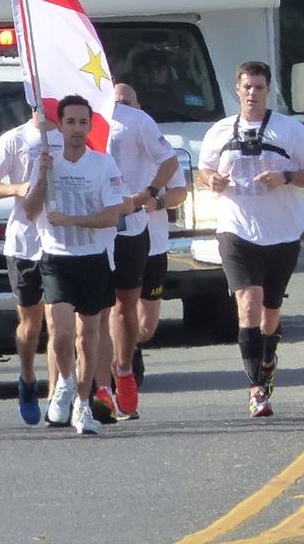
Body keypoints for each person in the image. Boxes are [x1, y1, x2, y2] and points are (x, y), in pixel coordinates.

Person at [197, 60, 304, 418]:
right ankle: (256, 390)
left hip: (282, 232)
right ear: (237, 90)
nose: (252, 93)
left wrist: (285, 177)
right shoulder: (220, 131)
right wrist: (211, 181)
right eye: (246, 87)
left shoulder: (290, 130)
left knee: (270, 312)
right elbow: (202, 171)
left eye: (258, 87)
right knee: (248, 304)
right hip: (236, 228)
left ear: (269, 90)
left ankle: (267, 358)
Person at [23, 95, 130, 435]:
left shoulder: (102, 165)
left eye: (83, 123)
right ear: (61, 125)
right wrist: (41, 176)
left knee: (88, 337)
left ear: (90, 126)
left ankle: (83, 403)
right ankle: (65, 382)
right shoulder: (47, 160)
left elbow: (113, 215)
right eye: (70, 122)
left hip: (94, 260)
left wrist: (71, 219)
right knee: (62, 332)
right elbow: (29, 211)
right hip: (56, 258)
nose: (77, 129)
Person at [98, 83, 178, 421]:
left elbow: (171, 163)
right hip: (85, 231)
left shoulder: (136, 121)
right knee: (89, 314)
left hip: (131, 229)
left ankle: (125, 369)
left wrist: (147, 195)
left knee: (126, 311)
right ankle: (99, 389)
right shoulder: (70, 117)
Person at [0, 113, 64, 425]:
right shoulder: (14, 138)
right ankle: (28, 378)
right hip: (24, 243)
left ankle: (57, 395)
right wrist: (17, 188)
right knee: (30, 326)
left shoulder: (70, 133)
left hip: (60, 241)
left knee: (58, 322)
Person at [115, 85, 188, 352]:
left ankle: (130, 348)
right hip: (121, 240)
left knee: (147, 325)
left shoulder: (160, 146)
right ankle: (123, 362)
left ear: (138, 106)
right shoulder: (107, 144)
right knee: (119, 308)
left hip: (154, 245)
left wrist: (157, 202)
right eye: (116, 103)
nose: (121, 108)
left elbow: (180, 192)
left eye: (126, 102)